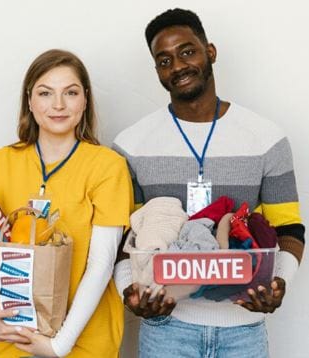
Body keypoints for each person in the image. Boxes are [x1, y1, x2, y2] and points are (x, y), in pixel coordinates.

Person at [113, 8, 305, 358]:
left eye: (187, 51)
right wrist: (131, 290)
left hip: (243, 331)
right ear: (157, 70)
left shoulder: (266, 138)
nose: (178, 66)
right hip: (166, 331)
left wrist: (279, 284)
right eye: (164, 60)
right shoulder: (131, 145)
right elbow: (125, 239)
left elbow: (289, 229)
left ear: (210, 51)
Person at [0, 49, 133, 357]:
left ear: (85, 99)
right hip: (9, 340)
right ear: (29, 100)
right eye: (45, 93)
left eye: (71, 92)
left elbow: (102, 263)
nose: (58, 105)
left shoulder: (108, 167)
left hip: (83, 344)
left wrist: (58, 346)